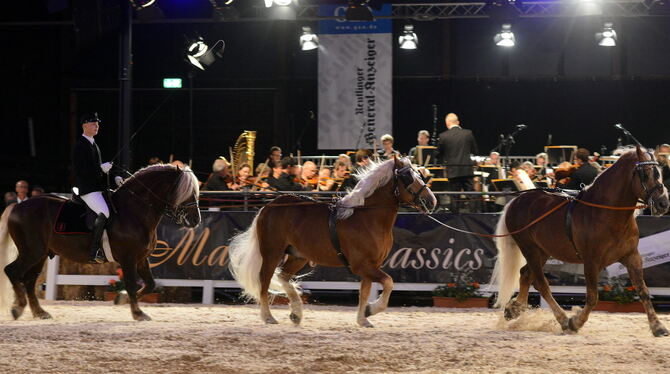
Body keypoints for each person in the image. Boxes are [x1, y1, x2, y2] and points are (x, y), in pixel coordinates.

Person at [72, 112, 113, 264]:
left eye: (97, 123)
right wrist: (101, 170)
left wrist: (113, 177)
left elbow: (97, 170)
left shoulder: (94, 144)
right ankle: (94, 250)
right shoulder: (80, 146)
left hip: (97, 188)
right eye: (93, 123)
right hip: (87, 189)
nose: (97, 126)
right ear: (84, 125)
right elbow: (82, 171)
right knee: (105, 212)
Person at [436, 113, 478, 212]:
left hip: (453, 170)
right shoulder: (468, 133)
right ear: (458, 122)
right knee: (471, 195)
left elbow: (438, 154)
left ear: (447, 124)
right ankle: (475, 217)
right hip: (467, 169)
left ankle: (454, 219)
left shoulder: (443, 136)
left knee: (454, 196)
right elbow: (475, 150)